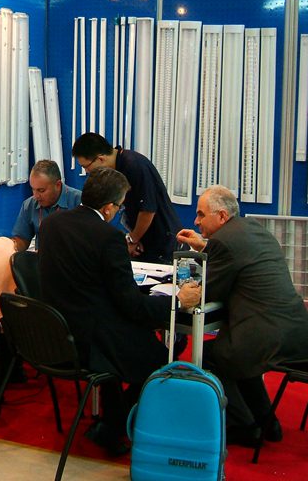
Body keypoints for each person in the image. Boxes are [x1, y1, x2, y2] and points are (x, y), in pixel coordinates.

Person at [38, 167, 192, 455]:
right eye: (120, 207)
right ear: (109, 208)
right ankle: (117, 423)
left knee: (132, 335)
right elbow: (131, 304)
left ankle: (111, 418)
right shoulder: (108, 237)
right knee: (162, 354)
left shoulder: (51, 224)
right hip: (93, 339)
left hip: (56, 332)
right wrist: (177, 301)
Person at [177, 185, 308, 447]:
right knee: (237, 355)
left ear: (221, 216)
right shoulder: (253, 229)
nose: (196, 221)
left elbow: (209, 291)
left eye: (201, 214)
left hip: (267, 336)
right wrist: (204, 247)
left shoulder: (223, 242)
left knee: (212, 355)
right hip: (299, 330)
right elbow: (237, 258)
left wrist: (182, 291)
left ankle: (244, 425)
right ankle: (267, 422)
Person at [71, 132, 181, 263]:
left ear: (100, 159)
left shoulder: (134, 166)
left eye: (86, 167)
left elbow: (148, 210)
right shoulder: (115, 170)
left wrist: (133, 239)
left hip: (162, 242)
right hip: (142, 239)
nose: (87, 172)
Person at [11, 160, 81, 252]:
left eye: (41, 190)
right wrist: (10, 247)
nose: (36, 196)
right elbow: (22, 239)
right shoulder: (29, 204)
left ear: (58, 185)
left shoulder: (79, 201)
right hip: (42, 258)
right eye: (33, 189)